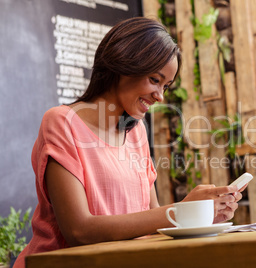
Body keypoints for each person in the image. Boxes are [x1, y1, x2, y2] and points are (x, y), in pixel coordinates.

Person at [14, 17, 243, 268]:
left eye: (166, 86)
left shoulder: (136, 132)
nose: (160, 96)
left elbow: (153, 223)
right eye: (155, 80)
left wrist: (199, 215)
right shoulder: (61, 122)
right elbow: (79, 231)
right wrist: (179, 210)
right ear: (124, 64)